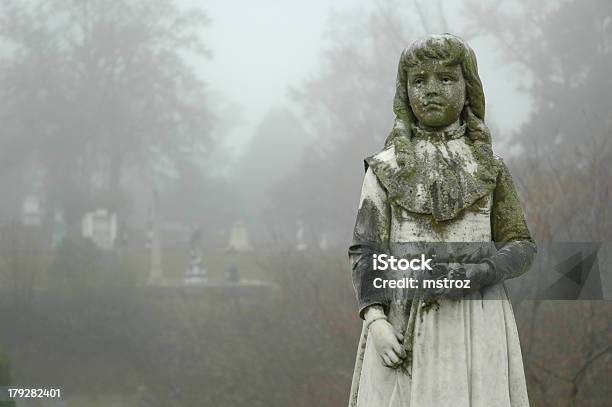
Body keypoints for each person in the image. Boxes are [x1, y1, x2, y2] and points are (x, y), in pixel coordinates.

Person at [348, 34, 536, 407]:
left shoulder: (490, 168)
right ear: (405, 92)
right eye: (419, 81)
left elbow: (521, 245)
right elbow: (366, 252)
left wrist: (480, 272)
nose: (431, 90)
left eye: (446, 79)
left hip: (479, 321)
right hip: (402, 326)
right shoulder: (385, 169)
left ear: (468, 88)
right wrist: (376, 321)